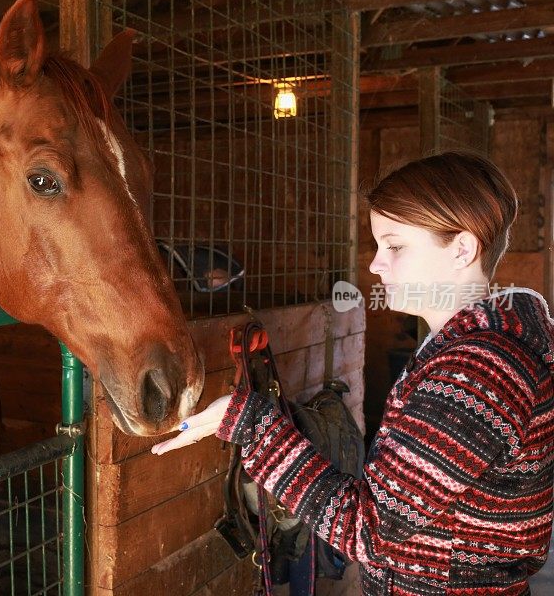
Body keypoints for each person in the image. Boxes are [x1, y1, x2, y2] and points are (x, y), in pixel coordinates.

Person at [152, 151, 554, 595]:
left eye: (395, 246)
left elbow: (370, 530)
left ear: (462, 249)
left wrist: (253, 424)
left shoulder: (476, 372)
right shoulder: (484, 344)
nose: (375, 265)